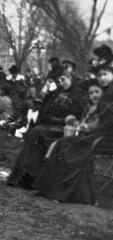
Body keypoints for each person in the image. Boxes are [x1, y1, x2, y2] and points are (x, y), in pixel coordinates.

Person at [34, 67, 113, 204]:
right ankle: (48, 189)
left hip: (106, 139)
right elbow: (101, 119)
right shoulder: (106, 93)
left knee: (66, 145)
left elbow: (108, 124)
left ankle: (65, 193)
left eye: (105, 74)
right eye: (100, 75)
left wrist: (89, 129)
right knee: (62, 143)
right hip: (98, 134)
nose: (102, 78)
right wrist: (87, 126)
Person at [7, 70, 87, 189]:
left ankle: (30, 176)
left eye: (64, 79)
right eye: (59, 80)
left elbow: (76, 115)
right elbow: (44, 111)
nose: (61, 82)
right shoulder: (55, 93)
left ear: (71, 79)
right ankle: (25, 175)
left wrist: (62, 120)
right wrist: (49, 119)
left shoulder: (77, 95)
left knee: (37, 133)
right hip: (49, 125)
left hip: (64, 128)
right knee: (35, 134)